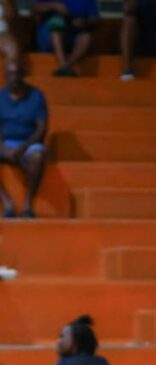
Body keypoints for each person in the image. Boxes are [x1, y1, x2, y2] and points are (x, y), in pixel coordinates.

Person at [0, 58, 47, 219]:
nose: (14, 77)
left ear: (23, 75)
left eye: (17, 73)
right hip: (5, 142)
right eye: (10, 74)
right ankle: (6, 204)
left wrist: (23, 147)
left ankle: (28, 203)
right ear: (5, 76)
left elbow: (41, 129)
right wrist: (4, 147)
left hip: (29, 142)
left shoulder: (37, 96)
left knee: (39, 155)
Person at [40, 315, 113, 365]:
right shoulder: (102, 363)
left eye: (62, 336)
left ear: (75, 341)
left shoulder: (66, 364)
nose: (58, 341)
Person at [34, 0, 98, 77]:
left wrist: (85, 22)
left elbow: (94, 18)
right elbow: (34, 8)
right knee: (57, 23)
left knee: (85, 36)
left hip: (73, 32)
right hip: (50, 34)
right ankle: (63, 64)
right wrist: (53, 5)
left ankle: (65, 66)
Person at [0, 0, 20, 64]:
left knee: (11, 48)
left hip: (3, 33)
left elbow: (11, 15)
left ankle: (12, 71)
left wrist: (6, 3)